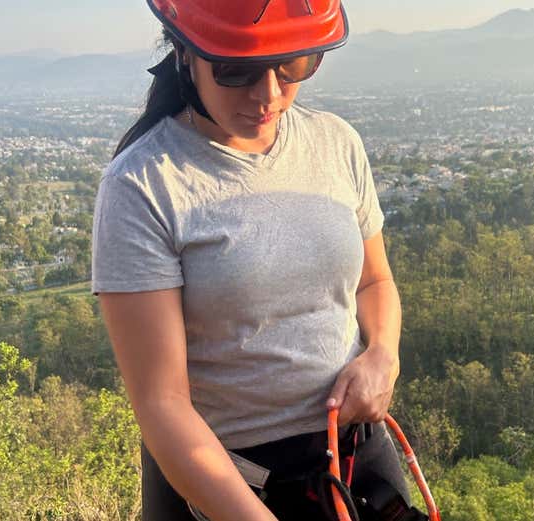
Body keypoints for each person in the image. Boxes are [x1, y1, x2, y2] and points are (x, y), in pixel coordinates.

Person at [91, 1, 417, 519]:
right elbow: (162, 404)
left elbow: (374, 282)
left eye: (293, 65)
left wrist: (383, 355)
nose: (268, 95)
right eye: (237, 70)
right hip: (228, 482)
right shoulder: (144, 185)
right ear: (184, 54)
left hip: (355, 455)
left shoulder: (335, 143)